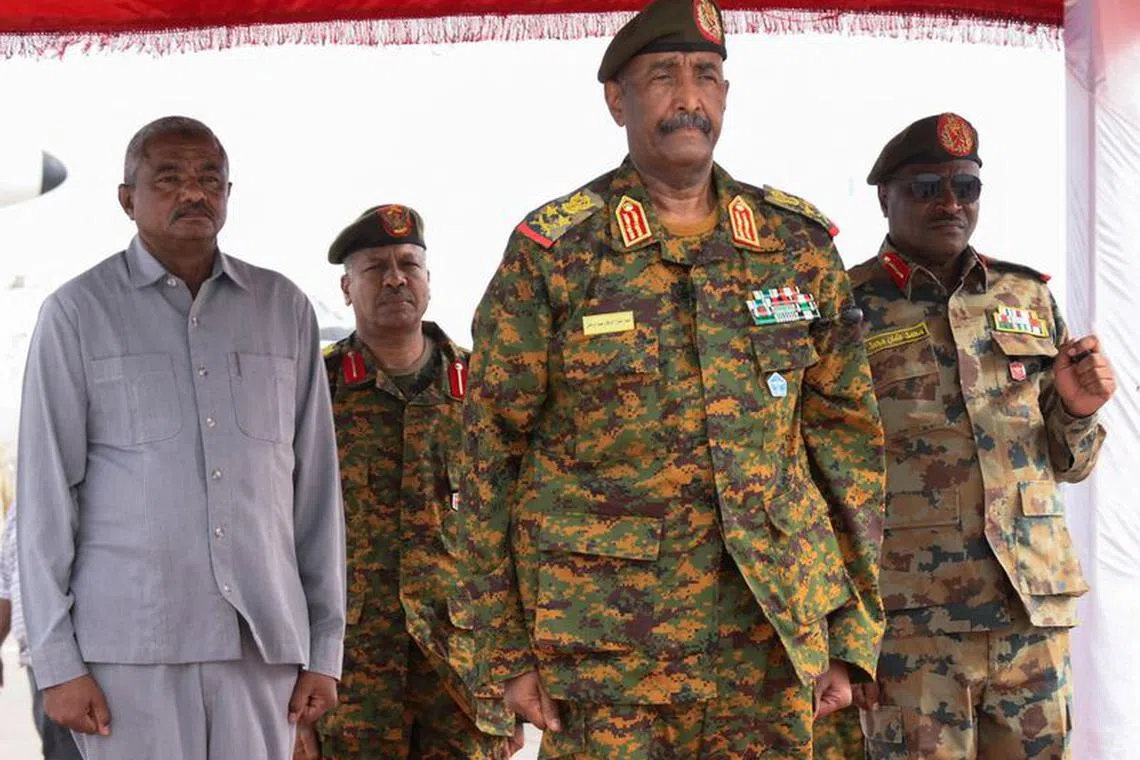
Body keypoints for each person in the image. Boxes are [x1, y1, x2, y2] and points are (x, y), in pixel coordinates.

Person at [459, 0, 888, 755]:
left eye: (707, 76)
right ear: (617, 99)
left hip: (770, 637)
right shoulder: (556, 253)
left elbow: (844, 443)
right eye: (663, 76)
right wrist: (503, 651)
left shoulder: (795, 247)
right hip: (609, 654)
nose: (689, 98)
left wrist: (852, 631)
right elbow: (487, 454)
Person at [16, 115, 346, 760]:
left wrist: (324, 649)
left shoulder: (283, 310)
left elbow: (315, 499)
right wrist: (56, 661)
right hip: (127, 653)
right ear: (127, 199)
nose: (193, 193)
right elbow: (44, 499)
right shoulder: (77, 314)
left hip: (262, 648)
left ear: (228, 193)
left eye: (210, 179)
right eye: (168, 178)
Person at [849, 113, 1115, 759]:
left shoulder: (1025, 294)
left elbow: (1068, 462)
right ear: (885, 196)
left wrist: (1077, 411)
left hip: (1031, 610)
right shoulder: (848, 304)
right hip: (914, 622)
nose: (949, 204)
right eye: (926, 188)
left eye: (965, 187)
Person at [294, 205, 519, 759]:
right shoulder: (311, 393)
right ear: (347, 288)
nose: (395, 278)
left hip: (466, 680)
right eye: (375, 268)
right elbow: (278, 539)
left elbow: (521, 534)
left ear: (428, 280)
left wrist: (518, 677)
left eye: (407, 265)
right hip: (351, 682)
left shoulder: (487, 389)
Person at [1, 499, 83, 760]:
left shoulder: (74, 493)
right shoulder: (16, 512)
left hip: (80, 662)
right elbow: (5, 586)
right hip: (40, 664)